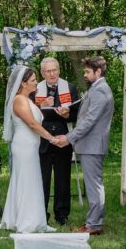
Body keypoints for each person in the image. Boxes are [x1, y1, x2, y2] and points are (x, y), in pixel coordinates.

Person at [0, 66, 62, 233]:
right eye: (33, 81)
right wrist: (53, 139)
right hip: (24, 145)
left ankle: (36, 219)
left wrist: (43, 107)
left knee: (33, 181)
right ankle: (25, 221)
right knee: (26, 181)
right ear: (23, 83)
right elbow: (32, 124)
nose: (36, 84)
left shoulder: (28, 99)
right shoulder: (19, 100)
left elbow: (35, 118)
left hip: (31, 146)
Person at [55, 56, 113, 235]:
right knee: (92, 185)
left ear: (98, 72)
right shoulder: (95, 89)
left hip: (93, 144)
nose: (85, 75)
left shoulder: (101, 91)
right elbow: (84, 114)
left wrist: (69, 138)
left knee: (94, 186)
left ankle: (93, 226)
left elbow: (90, 121)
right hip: (89, 144)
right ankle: (92, 223)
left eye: (88, 72)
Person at [36, 57, 80, 226]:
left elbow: (77, 114)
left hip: (63, 140)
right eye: (48, 71)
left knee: (62, 180)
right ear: (42, 73)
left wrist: (68, 114)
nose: (52, 74)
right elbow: (30, 116)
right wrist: (40, 107)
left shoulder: (69, 87)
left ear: (59, 70)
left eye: (54, 70)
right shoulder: (36, 89)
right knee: (42, 180)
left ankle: (62, 215)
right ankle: (41, 214)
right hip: (43, 141)